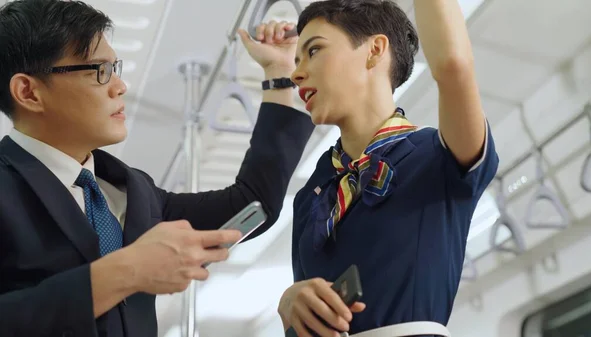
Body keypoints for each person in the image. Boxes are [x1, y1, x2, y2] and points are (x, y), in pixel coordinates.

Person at [0, 0, 315, 336]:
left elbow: (253, 206)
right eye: (98, 71)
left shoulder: (133, 191)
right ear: (28, 92)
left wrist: (278, 75)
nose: (120, 86)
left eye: (114, 69)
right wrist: (124, 272)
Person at [238, 0, 499, 336]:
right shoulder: (312, 195)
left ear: (375, 50)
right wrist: (291, 301)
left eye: (314, 50)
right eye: (297, 59)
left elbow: (453, 65)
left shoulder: (439, 157)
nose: (297, 72)